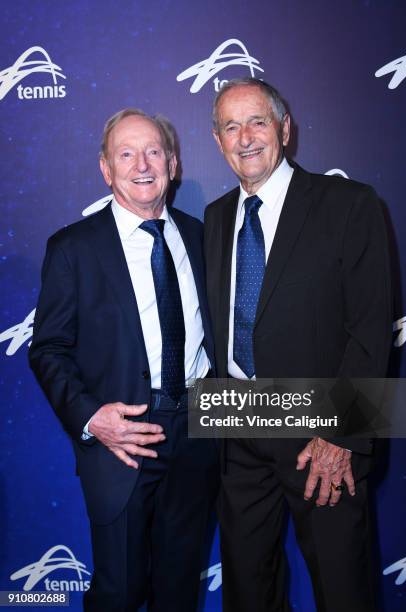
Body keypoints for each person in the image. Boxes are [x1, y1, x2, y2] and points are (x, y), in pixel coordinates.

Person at [204, 78, 392, 612]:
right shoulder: (217, 218)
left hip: (321, 437)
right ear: (217, 140)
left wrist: (344, 433)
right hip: (238, 427)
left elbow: (371, 328)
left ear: (284, 129)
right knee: (248, 593)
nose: (245, 138)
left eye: (257, 121)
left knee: (342, 590)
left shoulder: (348, 204)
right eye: (230, 126)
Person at [29, 109, 219, 612]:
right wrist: (92, 418)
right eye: (126, 154)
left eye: (153, 151)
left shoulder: (202, 238)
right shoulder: (73, 248)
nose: (142, 165)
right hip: (123, 439)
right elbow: (47, 349)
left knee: (179, 592)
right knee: (120, 592)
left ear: (173, 163)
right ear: (105, 169)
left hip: (200, 432)